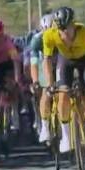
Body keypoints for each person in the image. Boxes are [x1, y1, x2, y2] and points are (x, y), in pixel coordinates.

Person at [42, 6, 85, 157]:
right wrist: (50, 83)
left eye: (66, 29)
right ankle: (65, 136)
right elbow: (47, 61)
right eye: (60, 30)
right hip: (66, 61)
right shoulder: (49, 35)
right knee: (62, 94)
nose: (63, 33)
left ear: (73, 25)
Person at [29, 13, 54, 143]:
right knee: (45, 92)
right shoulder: (36, 40)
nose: (48, 33)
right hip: (43, 64)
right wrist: (36, 81)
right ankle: (44, 126)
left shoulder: (59, 36)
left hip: (59, 61)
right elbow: (34, 64)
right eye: (45, 30)